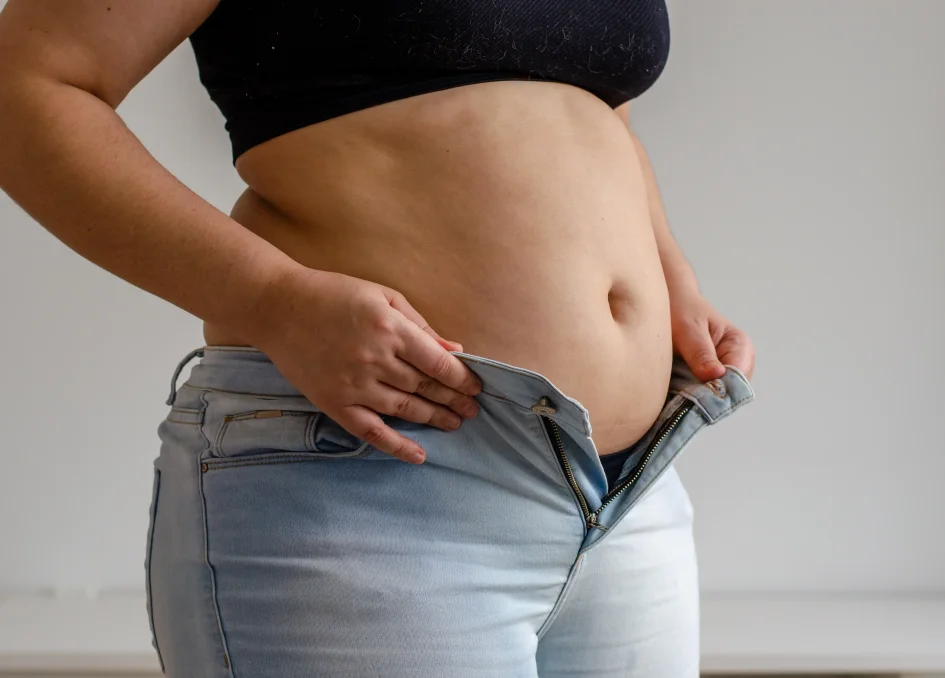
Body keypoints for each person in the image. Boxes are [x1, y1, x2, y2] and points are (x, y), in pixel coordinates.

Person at [0, 1, 756, 676]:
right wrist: (273, 298)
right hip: (367, 475)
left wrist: (671, 277)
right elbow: (26, 86)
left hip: (631, 488)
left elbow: (596, 106)